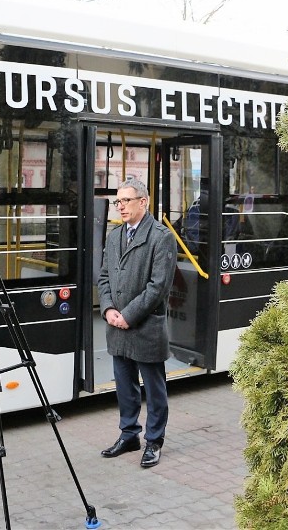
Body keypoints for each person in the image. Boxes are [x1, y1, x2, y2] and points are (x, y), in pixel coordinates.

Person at [97, 179, 178, 468]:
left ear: (143, 202)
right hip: (117, 325)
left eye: (125, 201)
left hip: (145, 327)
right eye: (117, 201)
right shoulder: (115, 235)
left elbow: (158, 288)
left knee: (154, 389)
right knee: (124, 385)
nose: (120, 206)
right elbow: (104, 276)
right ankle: (129, 434)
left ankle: (154, 441)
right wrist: (108, 309)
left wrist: (127, 316)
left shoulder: (161, 237)